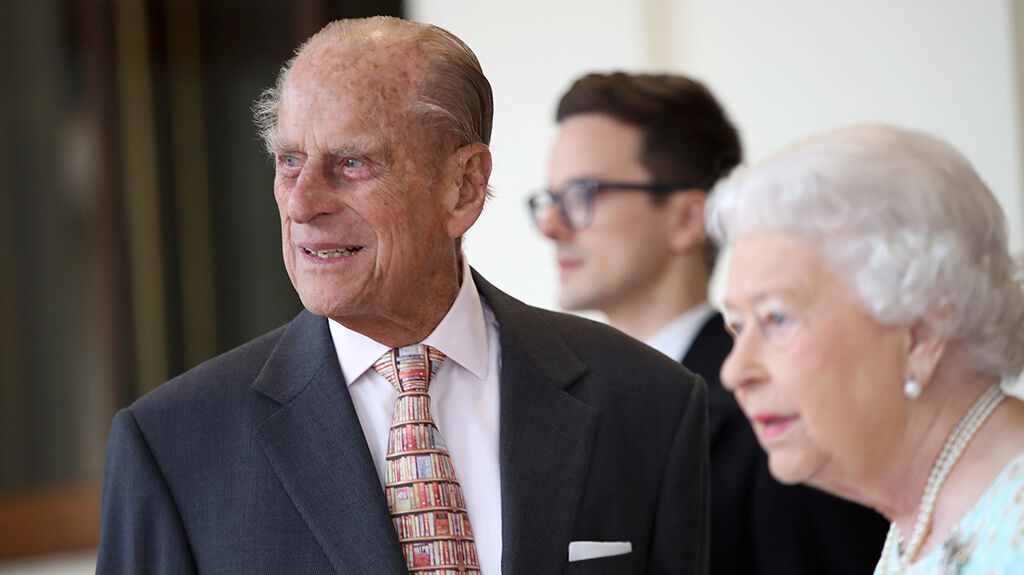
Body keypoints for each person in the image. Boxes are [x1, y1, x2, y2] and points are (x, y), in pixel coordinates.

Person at [96, 17, 710, 575]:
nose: (302, 204)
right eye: (289, 161)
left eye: (352, 162)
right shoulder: (172, 446)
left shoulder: (649, 402)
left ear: (464, 186)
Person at [529, 72, 887, 574]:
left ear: (687, 218)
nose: (551, 225)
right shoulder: (554, 413)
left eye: (582, 193)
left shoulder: (780, 409)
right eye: (550, 199)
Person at [707, 123, 1024, 574]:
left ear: (919, 335)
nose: (734, 372)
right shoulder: (918, 523)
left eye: (777, 319)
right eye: (738, 327)